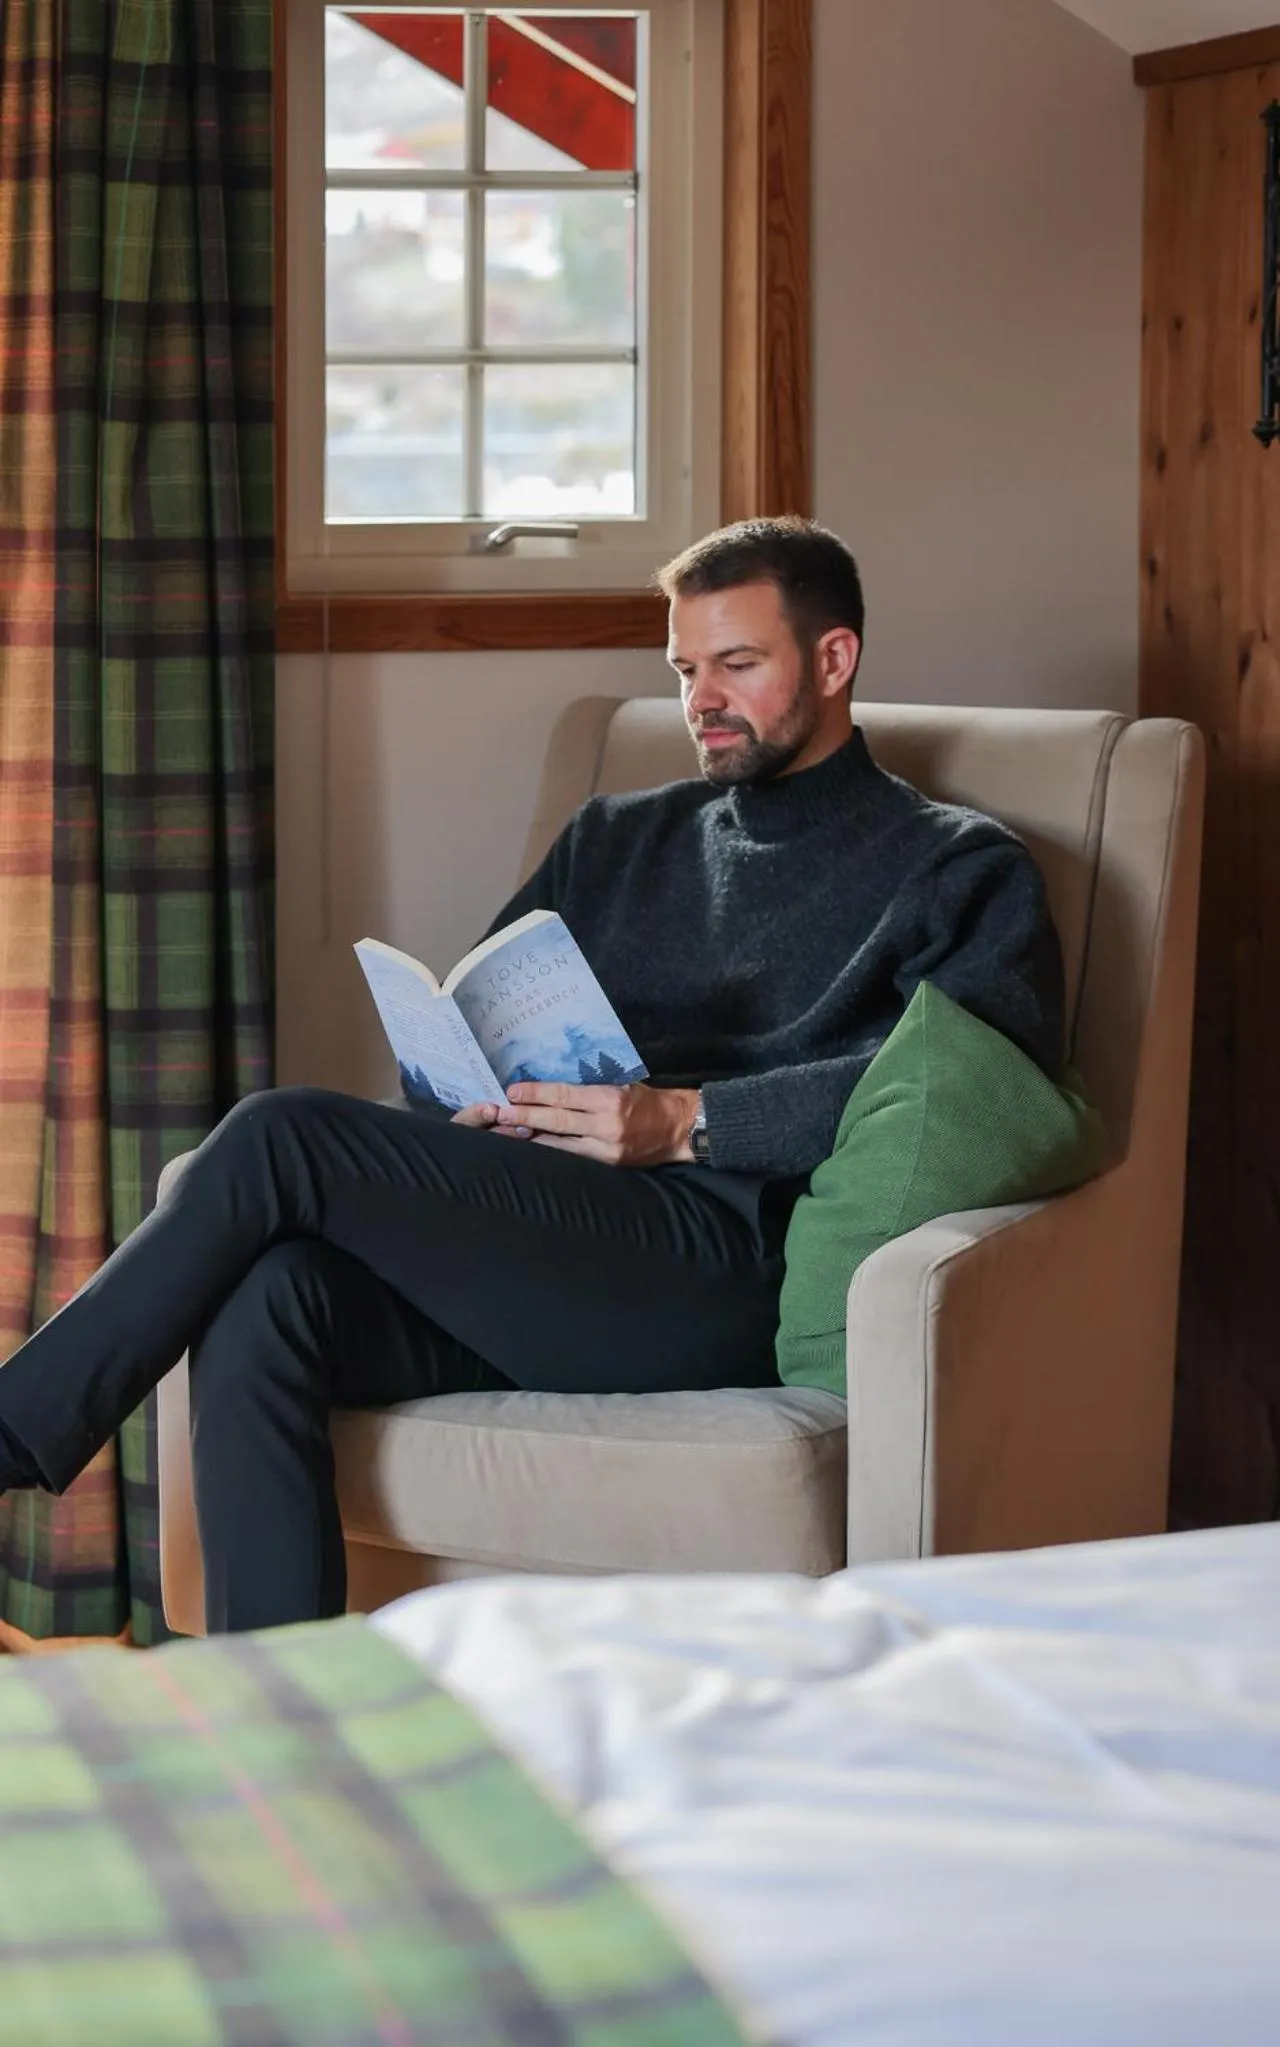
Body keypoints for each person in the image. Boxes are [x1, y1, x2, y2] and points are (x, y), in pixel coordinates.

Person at [0, 519, 1064, 1632]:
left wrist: (690, 1120)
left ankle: (18, 1432)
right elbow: (474, 1008)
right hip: (550, 1239)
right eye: (684, 669)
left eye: (737, 664)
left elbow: (975, 1089)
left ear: (833, 658)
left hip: (724, 1257)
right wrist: (464, 1100)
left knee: (281, 1134)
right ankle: (285, 1702)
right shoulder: (616, 836)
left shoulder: (955, 866)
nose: (702, 699)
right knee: (271, 1295)